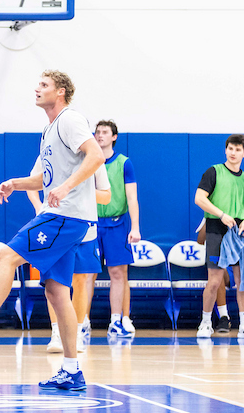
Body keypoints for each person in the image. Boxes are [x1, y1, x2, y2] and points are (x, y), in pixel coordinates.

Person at [0, 70, 104, 393]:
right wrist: (15, 184)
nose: (36, 89)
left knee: (5, 256)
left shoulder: (71, 120)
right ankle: (72, 370)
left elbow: (96, 156)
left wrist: (67, 187)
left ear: (60, 92)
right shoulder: (48, 130)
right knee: (57, 292)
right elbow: (45, 179)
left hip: (65, 216)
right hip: (68, 217)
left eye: (43, 85)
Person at [27, 155, 110, 353]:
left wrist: (80, 189)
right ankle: (56, 333)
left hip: (84, 227)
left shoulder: (93, 157)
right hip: (54, 227)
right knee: (54, 281)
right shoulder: (48, 152)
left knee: (80, 280)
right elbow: (32, 184)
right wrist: (40, 208)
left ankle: (77, 333)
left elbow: (106, 196)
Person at [194, 134, 244, 339]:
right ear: (225, 150)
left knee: (242, 280)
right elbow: (199, 198)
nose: (233, 152)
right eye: (230, 148)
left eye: (238, 150)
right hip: (216, 229)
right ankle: (205, 323)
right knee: (214, 281)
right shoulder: (214, 172)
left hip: (239, 232)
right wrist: (221, 214)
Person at [93, 120, 140, 338]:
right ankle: (81, 323)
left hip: (116, 224)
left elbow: (132, 198)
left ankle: (116, 320)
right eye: (97, 132)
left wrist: (135, 227)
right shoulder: (88, 161)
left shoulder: (124, 163)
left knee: (117, 273)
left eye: (105, 132)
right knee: (85, 274)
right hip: (91, 223)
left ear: (114, 137)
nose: (100, 135)